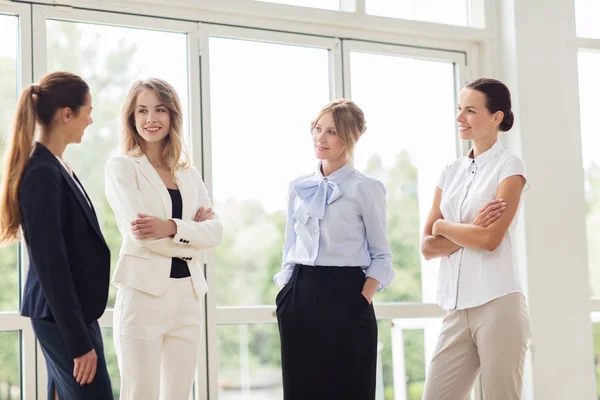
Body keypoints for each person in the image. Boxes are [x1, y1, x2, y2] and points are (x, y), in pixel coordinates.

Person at [104, 77, 222, 400]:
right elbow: (143, 236)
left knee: (179, 395)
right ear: (132, 118)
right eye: (142, 111)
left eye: (159, 110)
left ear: (172, 116)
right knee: (139, 394)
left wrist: (171, 227)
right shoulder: (121, 168)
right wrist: (191, 235)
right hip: (143, 296)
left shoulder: (188, 173)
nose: (150, 119)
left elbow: (216, 232)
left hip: (188, 296)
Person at [0, 71, 113, 399]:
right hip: (62, 318)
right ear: (67, 114)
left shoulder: (56, 166)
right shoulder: (41, 172)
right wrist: (79, 343)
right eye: (88, 111)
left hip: (71, 314)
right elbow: (52, 264)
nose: (90, 121)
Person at [273, 99, 395, 400]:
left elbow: (382, 255)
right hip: (300, 295)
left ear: (351, 138)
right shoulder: (298, 186)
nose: (320, 138)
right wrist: (286, 292)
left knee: (349, 389)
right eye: (317, 129)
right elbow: (289, 246)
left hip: (347, 297)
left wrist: (361, 299)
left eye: (332, 132)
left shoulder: (366, 188)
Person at [421, 78, 531, 400]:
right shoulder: (449, 172)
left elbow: (491, 239)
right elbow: (427, 247)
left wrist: (444, 226)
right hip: (456, 309)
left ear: (496, 117)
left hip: (498, 304)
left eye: (470, 110)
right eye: (459, 109)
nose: (460, 118)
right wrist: (464, 230)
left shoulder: (510, 167)